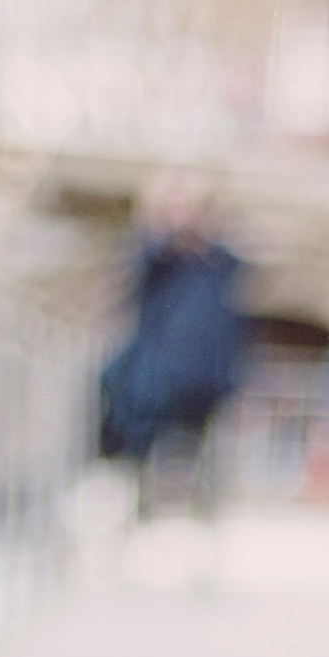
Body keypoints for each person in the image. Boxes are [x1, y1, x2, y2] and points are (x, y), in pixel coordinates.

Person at [97, 177, 247, 512]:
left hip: (204, 373)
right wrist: (168, 235)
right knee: (140, 436)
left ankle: (191, 506)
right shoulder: (153, 254)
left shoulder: (216, 259)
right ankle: (138, 499)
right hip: (157, 370)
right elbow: (139, 271)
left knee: (197, 447)